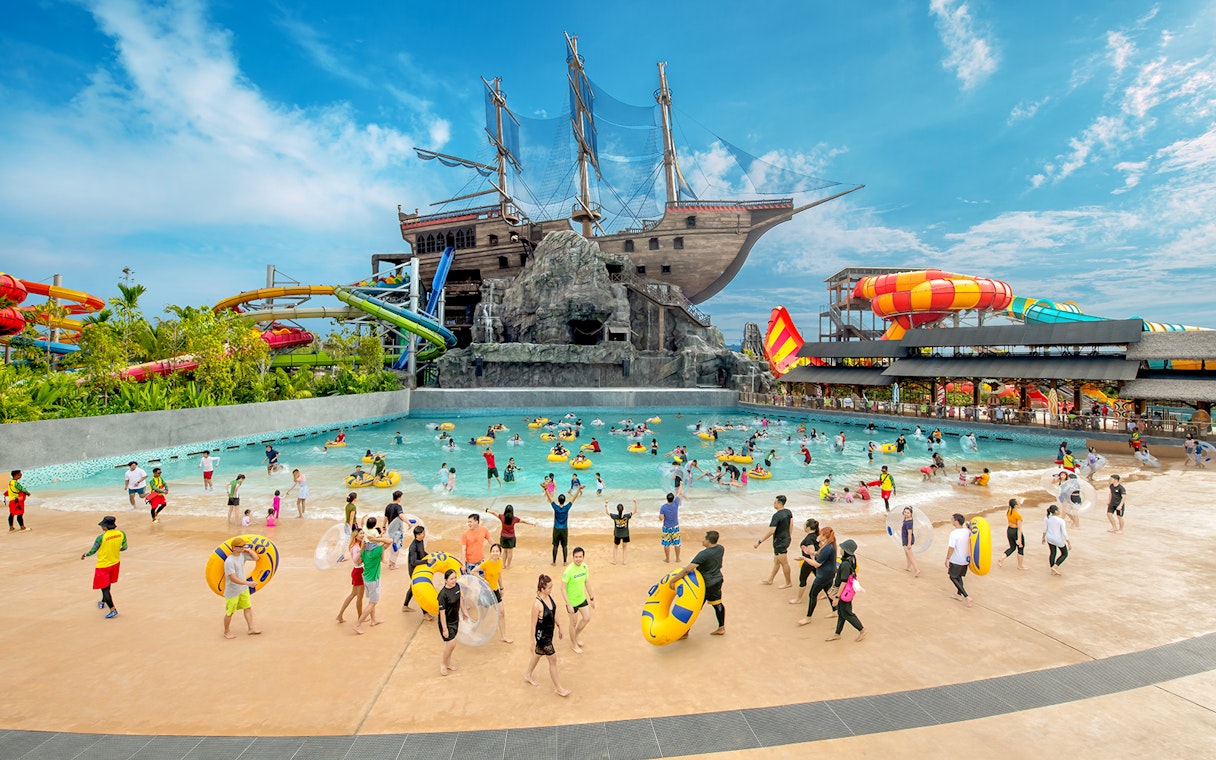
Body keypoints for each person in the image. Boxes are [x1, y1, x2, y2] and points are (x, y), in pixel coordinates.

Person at [667, 531, 726, 636]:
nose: (702, 540)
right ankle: (721, 628)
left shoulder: (703, 554)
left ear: (708, 541)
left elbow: (687, 570)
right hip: (717, 580)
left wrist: (673, 580)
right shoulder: (720, 548)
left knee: (694, 607)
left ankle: (685, 632)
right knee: (717, 604)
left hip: (705, 584)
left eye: (704, 538)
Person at [524, 574, 570, 696]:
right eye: (549, 588)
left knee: (538, 654)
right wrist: (532, 642)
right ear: (542, 589)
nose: (551, 589)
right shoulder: (537, 604)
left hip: (549, 634)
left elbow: (554, 613)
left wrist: (559, 626)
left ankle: (528, 674)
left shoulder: (549, 597)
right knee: (553, 660)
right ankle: (559, 688)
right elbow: (533, 625)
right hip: (542, 637)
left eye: (551, 587)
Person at [81, 515, 126, 619]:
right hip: (115, 563)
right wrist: (113, 550)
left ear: (105, 527)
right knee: (107, 585)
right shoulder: (121, 534)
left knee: (104, 588)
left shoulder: (101, 538)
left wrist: (85, 554)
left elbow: (93, 551)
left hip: (103, 565)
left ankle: (112, 609)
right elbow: (124, 547)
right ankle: (102, 601)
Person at [353, 517, 393, 634]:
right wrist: (375, 538)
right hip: (373, 579)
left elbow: (358, 562)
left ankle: (373, 620)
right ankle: (357, 625)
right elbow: (390, 541)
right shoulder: (377, 551)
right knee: (373, 602)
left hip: (366, 577)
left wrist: (367, 543)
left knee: (371, 600)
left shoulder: (364, 551)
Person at [221, 537, 263, 638]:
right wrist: (248, 583)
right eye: (242, 546)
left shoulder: (242, 555)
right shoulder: (229, 562)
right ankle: (226, 632)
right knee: (229, 612)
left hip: (243, 589)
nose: (244, 548)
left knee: (248, 608)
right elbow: (233, 578)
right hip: (233, 591)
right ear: (234, 548)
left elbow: (256, 558)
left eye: (244, 546)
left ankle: (251, 628)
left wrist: (248, 550)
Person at [825, 539, 866, 642]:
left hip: (843, 592)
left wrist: (837, 596)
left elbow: (843, 581)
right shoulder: (851, 560)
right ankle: (837, 634)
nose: (840, 550)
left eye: (842, 548)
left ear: (846, 550)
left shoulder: (845, 565)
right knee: (841, 614)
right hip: (847, 592)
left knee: (847, 614)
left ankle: (862, 630)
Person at [797, 525, 837, 625]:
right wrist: (810, 552)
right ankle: (835, 611)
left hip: (824, 575)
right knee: (828, 592)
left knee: (812, 594)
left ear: (824, 536)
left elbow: (817, 564)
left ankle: (808, 618)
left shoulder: (828, 547)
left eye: (820, 534)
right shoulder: (829, 545)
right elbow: (820, 554)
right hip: (829, 573)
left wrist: (804, 558)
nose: (818, 535)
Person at [559, 547, 596, 653]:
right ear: (573, 557)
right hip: (572, 601)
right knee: (573, 623)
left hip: (581, 598)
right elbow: (562, 588)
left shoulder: (584, 567)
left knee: (587, 618)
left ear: (583, 557)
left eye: (580, 557)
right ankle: (573, 644)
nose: (578, 559)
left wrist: (592, 598)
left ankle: (575, 636)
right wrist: (568, 604)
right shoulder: (569, 570)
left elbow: (587, 582)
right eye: (576, 557)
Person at [755, 495, 793, 588]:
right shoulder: (788, 512)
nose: (774, 503)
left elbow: (771, 531)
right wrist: (789, 537)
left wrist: (760, 541)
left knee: (784, 563)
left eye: (775, 502)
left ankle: (788, 583)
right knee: (776, 561)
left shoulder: (776, 516)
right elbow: (791, 525)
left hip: (780, 542)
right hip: (785, 539)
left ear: (779, 503)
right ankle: (770, 579)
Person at [479, 543, 512, 643]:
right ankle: (477, 632)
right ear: (490, 553)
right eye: (493, 551)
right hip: (485, 592)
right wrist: (482, 580)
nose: (495, 553)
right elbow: (473, 572)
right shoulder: (486, 563)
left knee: (501, 613)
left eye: (497, 551)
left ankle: (503, 636)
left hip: (495, 590)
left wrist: (501, 588)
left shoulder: (500, 561)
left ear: (500, 553)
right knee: (483, 615)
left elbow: (499, 575)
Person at [401, 525, 433, 620]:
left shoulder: (420, 541)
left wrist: (429, 556)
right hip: (414, 570)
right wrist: (426, 561)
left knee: (412, 588)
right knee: (419, 590)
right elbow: (414, 561)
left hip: (419, 567)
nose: (424, 534)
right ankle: (425, 613)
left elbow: (422, 552)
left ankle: (405, 606)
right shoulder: (413, 547)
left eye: (424, 533)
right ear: (417, 535)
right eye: (422, 533)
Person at [546, 485, 582, 565]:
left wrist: (546, 490)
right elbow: (574, 498)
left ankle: (554, 562)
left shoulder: (555, 507)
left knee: (555, 546)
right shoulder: (566, 508)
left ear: (558, 501)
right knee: (564, 546)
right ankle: (565, 561)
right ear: (564, 500)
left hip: (556, 529)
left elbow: (550, 498)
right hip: (564, 529)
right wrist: (578, 489)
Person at [788, 519, 821, 606]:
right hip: (816, 560)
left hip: (809, 562)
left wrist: (811, 562)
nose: (803, 526)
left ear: (808, 527)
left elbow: (811, 552)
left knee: (802, 579)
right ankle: (826, 593)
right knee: (820, 577)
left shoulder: (809, 538)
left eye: (804, 525)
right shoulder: (817, 535)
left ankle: (798, 599)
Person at [336, 525, 365, 623]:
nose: (362, 535)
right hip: (359, 572)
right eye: (360, 534)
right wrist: (363, 551)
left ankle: (340, 615)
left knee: (353, 594)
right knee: (359, 597)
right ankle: (360, 618)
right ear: (356, 536)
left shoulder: (355, 545)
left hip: (356, 571)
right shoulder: (356, 548)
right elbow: (357, 561)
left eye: (363, 533)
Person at [437, 569, 462, 675]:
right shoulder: (442, 594)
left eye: (455, 578)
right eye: (451, 579)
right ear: (445, 580)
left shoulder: (457, 587)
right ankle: (443, 664)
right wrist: (445, 629)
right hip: (446, 622)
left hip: (455, 619)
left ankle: (448, 663)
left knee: (450, 645)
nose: (454, 580)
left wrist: (464, 613)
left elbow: (460, 600)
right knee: (451, 644)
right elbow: (442, 613)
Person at [946, 513, 972, 607]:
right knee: (959, 576)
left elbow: (951, 547)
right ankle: (958, 595)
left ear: (956, 521)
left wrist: (947, 558)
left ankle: (967, 596)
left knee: (952, 577)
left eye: (952, 519)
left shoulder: (954, 533)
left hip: (956, 559)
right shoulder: (967, 531)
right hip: (966, 559)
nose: (951, 521)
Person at [997, 498, 1026, 571]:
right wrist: (1019, 539)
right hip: (1015, 531)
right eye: (1018, 503)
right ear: (1016, 505)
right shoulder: (1018, 515)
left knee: (1012, 547)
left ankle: (1001, 559)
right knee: (1020, 548)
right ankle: (1020, 566)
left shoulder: (1008, 512)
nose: (1020, 504)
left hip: (1009, 530)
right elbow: (1019, 528)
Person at [658, 485, 684, 563]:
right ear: (673, 499)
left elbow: (661, 518)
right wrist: (681, 484)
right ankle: (677, 558)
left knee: (666, 544)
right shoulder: (676, 504)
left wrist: (660, 516)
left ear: (667, 499)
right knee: (677, 543)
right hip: (675, 527)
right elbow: (679, 493)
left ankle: (667, 559)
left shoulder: (663, 507)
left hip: (666, 527)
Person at [1043, 504, 1071, 575]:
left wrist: (1043, 537)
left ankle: (1052, 570)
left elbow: (1045, 529)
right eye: (1058, 510)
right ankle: (1055, 567)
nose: (1060, 511)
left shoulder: (1047, 518)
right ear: (1055, 511)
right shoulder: (1061, 520)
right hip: (1058, 539)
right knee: (1064, 554)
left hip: (1049, 538)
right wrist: (1068, 542)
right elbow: (1064, 533)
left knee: (1052, 553)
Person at [605, 500, 636, 564]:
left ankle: (614, 561)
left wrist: (606, 504)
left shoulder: (615, 517)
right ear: (623, 509)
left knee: (615, 547)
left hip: (617, 534)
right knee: (624, 547)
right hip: (625, 534)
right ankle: (624, 561)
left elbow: (607, 512)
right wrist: (635, 503)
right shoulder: (626, 516)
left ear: (617, 509)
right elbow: (635, 512)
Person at [899, 507, 920, 577]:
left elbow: (909, 533)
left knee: (910, 555)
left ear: (911, 514)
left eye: (908, 513)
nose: (905, 514)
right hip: (905, 538)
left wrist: (909, 544)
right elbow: (903, 513)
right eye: (905, 512)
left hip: (907, 539)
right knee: (907, 554)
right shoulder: (906, 518)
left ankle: (917, 569)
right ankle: (908, 567)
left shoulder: (909, 522)